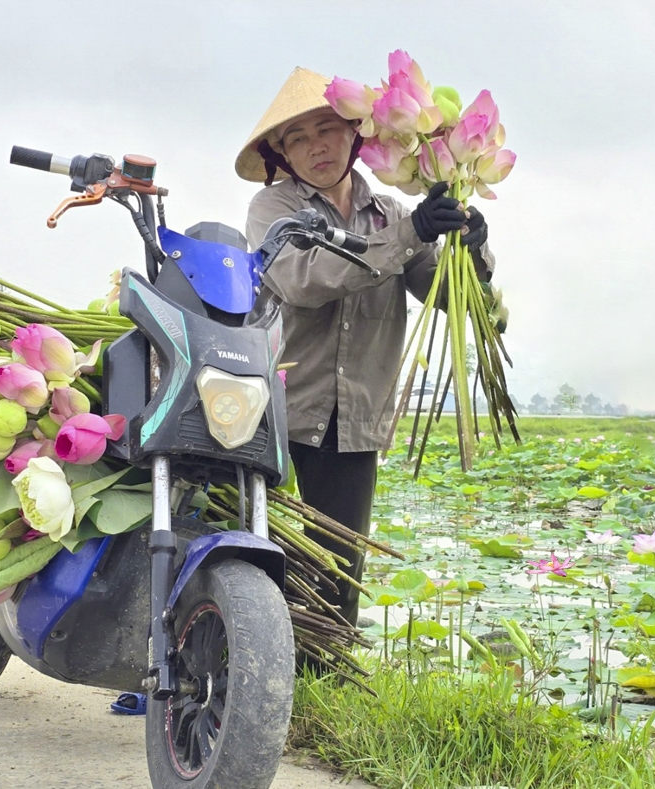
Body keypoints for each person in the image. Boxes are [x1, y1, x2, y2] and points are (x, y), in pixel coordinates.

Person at [236, 67, 494, 627]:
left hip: (353, 417)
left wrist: (470, 248)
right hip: (278, 410)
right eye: (297, 138)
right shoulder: (273, 211)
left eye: (326, 129)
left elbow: (447, 294)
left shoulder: (394, 214)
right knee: (262, 553)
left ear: (354, 134)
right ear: (281, 153)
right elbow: (302, 281)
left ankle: (325, 668)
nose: (315, 147)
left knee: (339, 567)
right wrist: (409, 236)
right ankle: (255, 658)